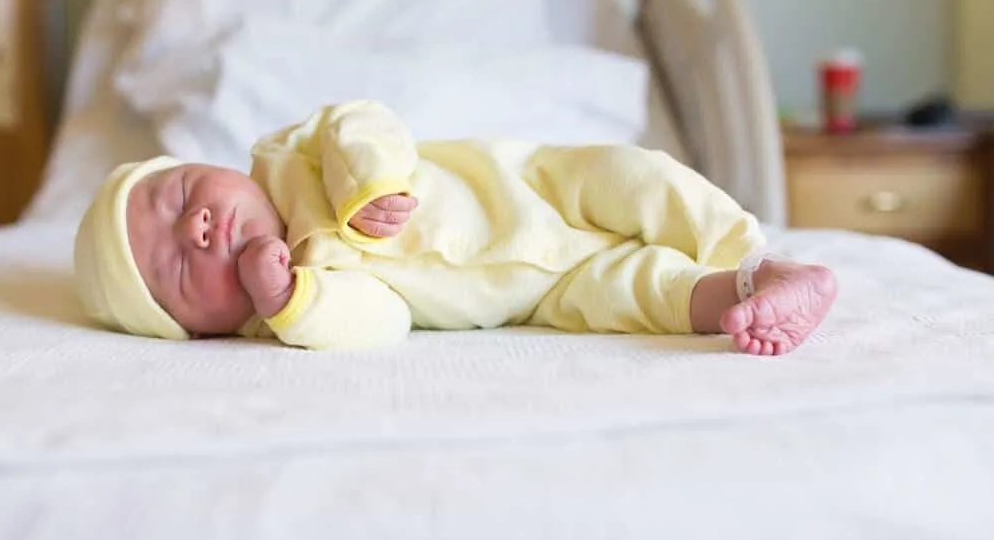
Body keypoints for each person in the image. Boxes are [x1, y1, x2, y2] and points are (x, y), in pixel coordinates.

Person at [74, 100, 837, 356]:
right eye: (178, 269)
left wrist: (366, 182)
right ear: (199, 330)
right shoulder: (294, 310)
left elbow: (363, 122)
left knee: (639, 178)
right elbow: (386, 319)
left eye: (178, 195)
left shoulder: (289, 156)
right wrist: (291, 302)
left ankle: (755, 253)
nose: (198, 228)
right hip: (542, 293)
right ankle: (745, 295)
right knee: (642, 296)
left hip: (534, 187)